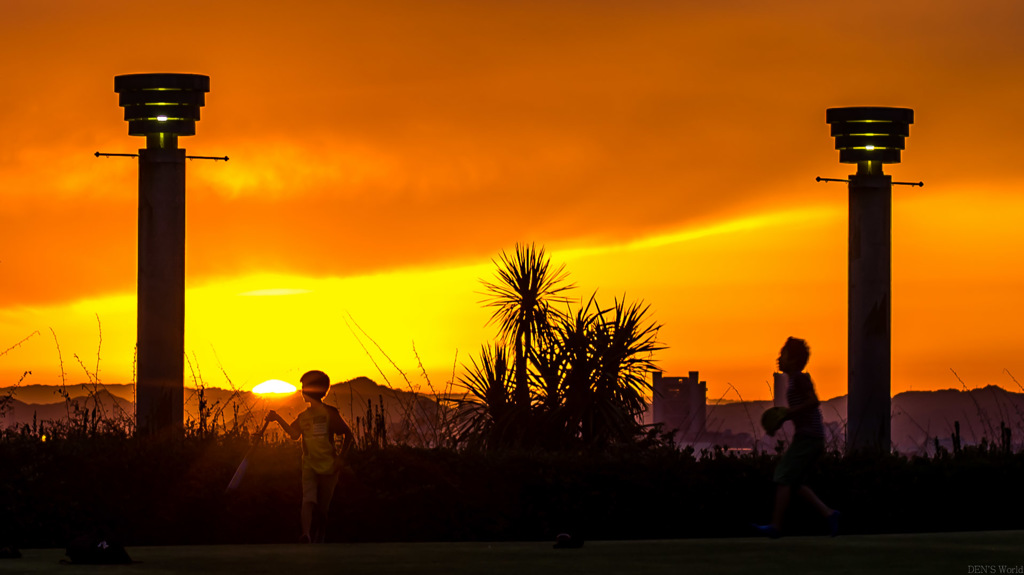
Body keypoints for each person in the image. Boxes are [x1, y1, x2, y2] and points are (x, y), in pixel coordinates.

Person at [754, 337, 840, 538]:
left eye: (782, 354)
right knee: (794, 483)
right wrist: (782, 420)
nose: (778, 358)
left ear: (792, 360)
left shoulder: (800, 379)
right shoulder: (793, 381)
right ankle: (829, 514)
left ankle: (776, 526)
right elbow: (800, 410)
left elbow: (813, 402)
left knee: (783, 475)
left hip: (809, 438)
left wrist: (788, 414)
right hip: (808, 437)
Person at [266, 370, 354, 543]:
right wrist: (277, 418)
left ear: (313, 390)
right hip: (309, 465)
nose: (301, 391)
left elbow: (348, 435)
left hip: (329, 466)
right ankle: (305, 534)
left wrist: (340, 459)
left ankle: (320, 535)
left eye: (304, 387)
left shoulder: (330, 413)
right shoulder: (303, 416)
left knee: (322, 508)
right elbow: (293, 434)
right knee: (308, 499)